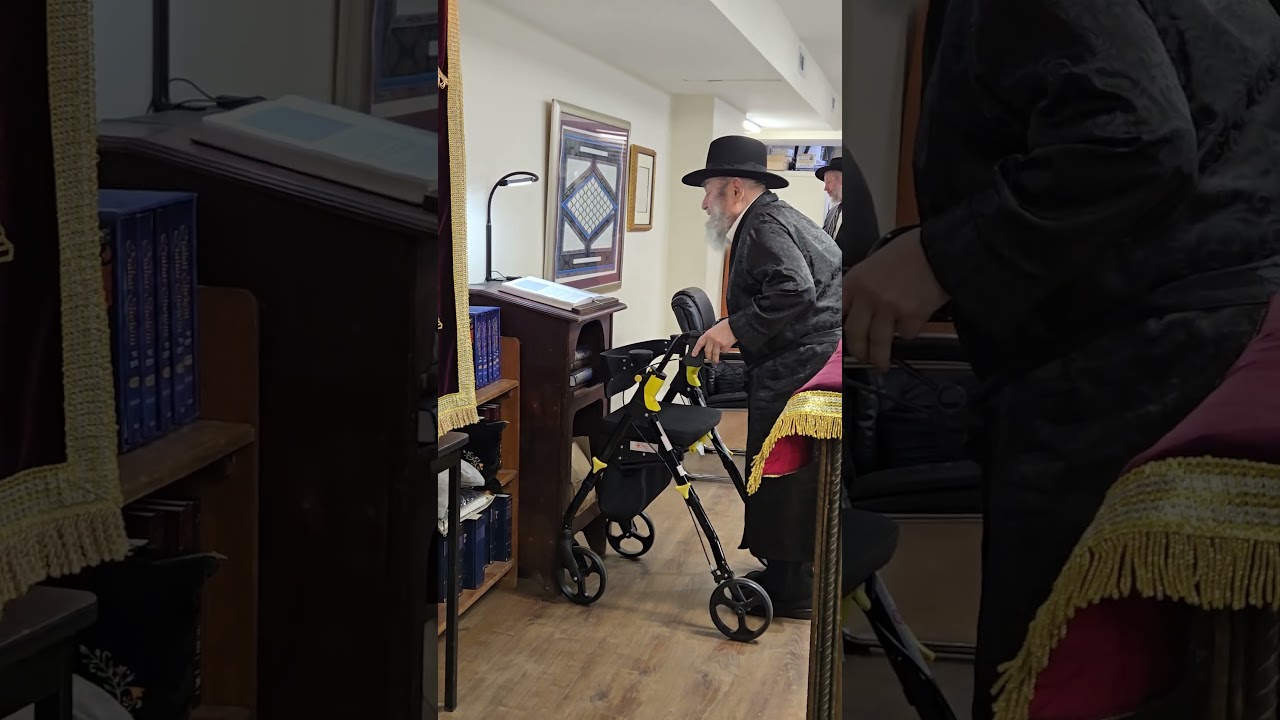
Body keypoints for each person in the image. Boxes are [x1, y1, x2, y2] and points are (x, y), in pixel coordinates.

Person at [842, 0, 1280, 718]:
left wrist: (942, 256)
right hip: (1221, 359)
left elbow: (1134, 134)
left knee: (1072, 685)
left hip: (1131, 378)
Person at [683, 135, 842, 618]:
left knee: (782, 469)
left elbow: (794, 288)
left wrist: (733, 327)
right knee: (788, 471)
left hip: (802, 362)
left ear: (734, 189)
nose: (704, 203)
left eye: (708, 191)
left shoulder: (764, 225)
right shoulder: (775, 216)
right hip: (810, 353)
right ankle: (789, 571)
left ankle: (792, 587)